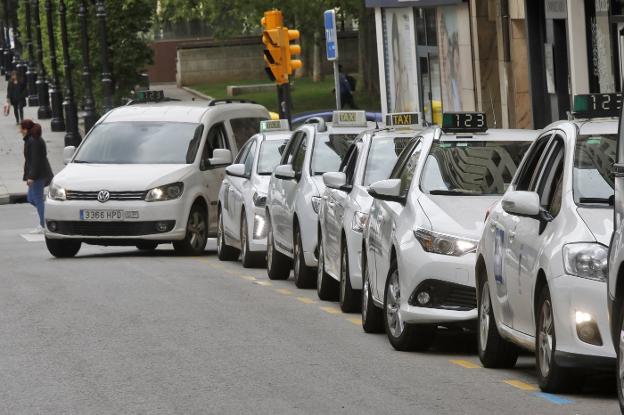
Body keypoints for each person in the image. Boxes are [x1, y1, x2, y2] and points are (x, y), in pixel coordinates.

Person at [22, 121, 54, 233]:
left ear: (26, 129)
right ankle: (47, 210)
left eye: (21, 128)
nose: (20, 131)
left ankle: (43, 225)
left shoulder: (34, 141)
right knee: (31, 198)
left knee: (37, 199)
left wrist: (31, 176)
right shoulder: (32, 139)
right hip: (39, 174)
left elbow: (36, 161)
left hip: (38, 175)